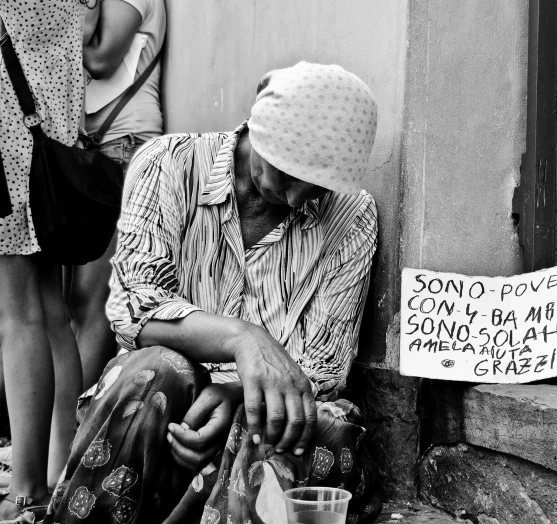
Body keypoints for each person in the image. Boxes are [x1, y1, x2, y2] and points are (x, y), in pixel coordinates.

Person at [44, 62, 383, 524]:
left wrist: (237, 395)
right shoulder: (167, 163)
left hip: (256, 424)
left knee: (285, 419)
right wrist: (245, 340)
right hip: (165, 423)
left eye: (319, 183)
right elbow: (136, 308)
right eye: (289, 169)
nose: (300, 195)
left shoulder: (352, 216)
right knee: (154, 374)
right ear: (260, 122)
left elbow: (324, 366)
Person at [0, 0, 88, 518]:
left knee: (18, 314)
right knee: (52, 310)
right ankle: (59, 469)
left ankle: (26, 487)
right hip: (51, 149)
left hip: (9, 145)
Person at [71, 0, 167, 391]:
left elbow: (99, 60)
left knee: (93, 301)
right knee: (72, 304)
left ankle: (73, 435)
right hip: (91, 150)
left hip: (121, 148)